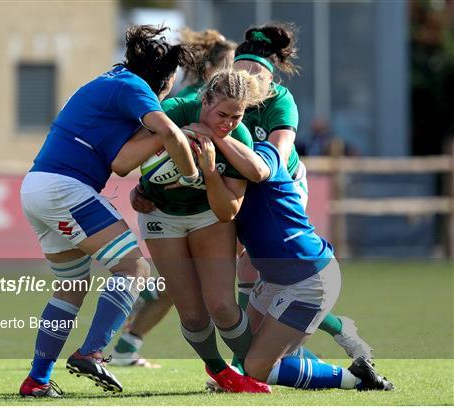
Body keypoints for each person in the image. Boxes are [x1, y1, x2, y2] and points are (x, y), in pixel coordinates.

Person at [18, 25, 201, 397]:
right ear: (163, 81)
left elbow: (120, 163)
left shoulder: (112, 83)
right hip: (64, 188)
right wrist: (193, 175)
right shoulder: (134, 87)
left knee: (72, 286)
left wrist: (166, 138)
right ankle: (92, 352)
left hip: (38, 186)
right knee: (134, 267)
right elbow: (168, 133)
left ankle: (36, 380)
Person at [191, 132, 394, 391]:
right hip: (276, 276)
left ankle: (357, 379)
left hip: (308, 277)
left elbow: (259, 169)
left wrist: (214, 141)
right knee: (246, 348)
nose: (227, 122)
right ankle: (315, 352)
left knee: (256, 367)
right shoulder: (222, 164)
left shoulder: (266, 149)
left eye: (233, 115)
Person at [111, 69, 271, 393]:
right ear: (205, 100)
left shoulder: (237, 138)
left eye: (236, 117)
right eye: (222, 114)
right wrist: (170, 142)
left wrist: (210, 170)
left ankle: (255, 366)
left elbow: (228, 211)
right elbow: (125, 160)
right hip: (161, 217)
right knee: (194, 316)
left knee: (223, 307)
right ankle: (220, 372)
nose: (228, 122)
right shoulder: (171, 112)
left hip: (208, 216)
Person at [230, 23, 373, 366]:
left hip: (282, 185)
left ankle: (272, 354)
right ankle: (258, 355)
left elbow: (274, 160)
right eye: (240, 70)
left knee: (262, 267)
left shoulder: (281, 102)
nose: (247, 79)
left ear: (271, 78)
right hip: (241, 184)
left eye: (256, 72)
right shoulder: (222, 96)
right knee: (243, 276)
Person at [112, 27, 236, 368]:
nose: (238, 74)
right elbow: (156, 154)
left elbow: (150, 160)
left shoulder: (202, 98)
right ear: (214, 70)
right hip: (199, 212)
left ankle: (128, 341)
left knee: (183, 288)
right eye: (232, 65)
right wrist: (149, 187)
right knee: (200, 292)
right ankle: (254, 361)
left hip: (202, 209)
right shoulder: (201, 102)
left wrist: (145, 187)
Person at [177, 28, 236, 99]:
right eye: (228, 66)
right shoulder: (195, 100)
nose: (234, 72)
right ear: (209, 69)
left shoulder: (190, 94)